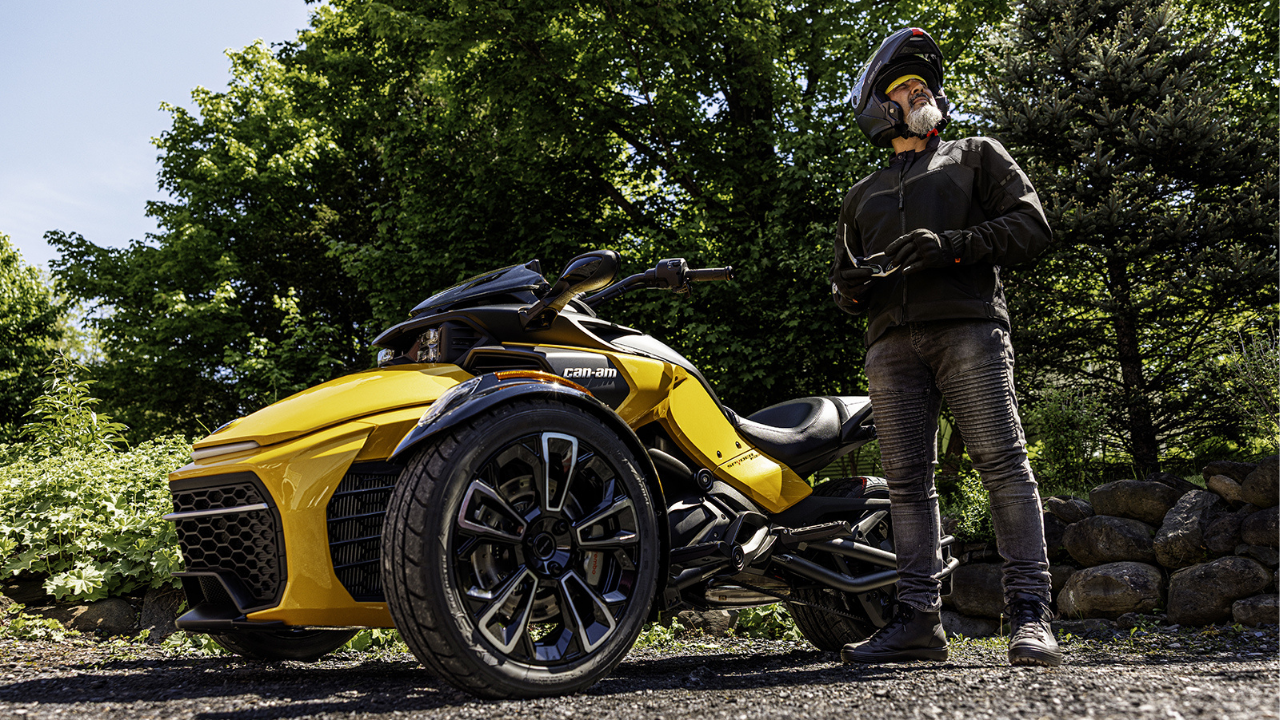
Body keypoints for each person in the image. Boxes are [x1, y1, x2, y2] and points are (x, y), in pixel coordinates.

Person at [830, 27, 1062, 667]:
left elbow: (1031, 226)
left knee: (1003, 464)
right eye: (906, 87)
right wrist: (848, 291)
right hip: (889, 347)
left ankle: (1030, 615)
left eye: (924, 84)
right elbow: (844, 278)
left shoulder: (975, 155)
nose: (921, 89)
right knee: (905, 484)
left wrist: (951, 244)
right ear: (882, 109)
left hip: (969, 329)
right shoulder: (862, 195)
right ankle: (917, 621)